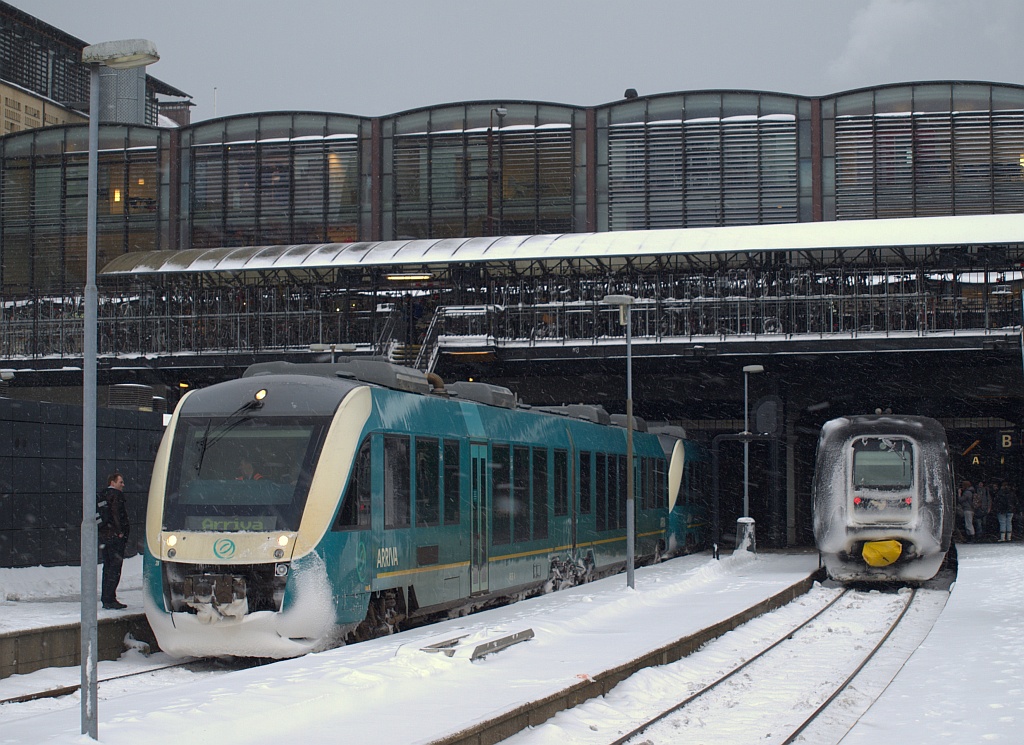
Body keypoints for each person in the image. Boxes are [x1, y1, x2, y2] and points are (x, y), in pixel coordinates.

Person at [97, 471, 129, 610]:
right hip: (115, 538)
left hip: (105, 537)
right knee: (115, 569)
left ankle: (106, 597)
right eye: (120, 482)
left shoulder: (101, 495)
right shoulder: (116, 495)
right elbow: (116, 514)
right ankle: (110, 598)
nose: (123, 485)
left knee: (107, 567)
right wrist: (120, 532)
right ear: (113, 482)